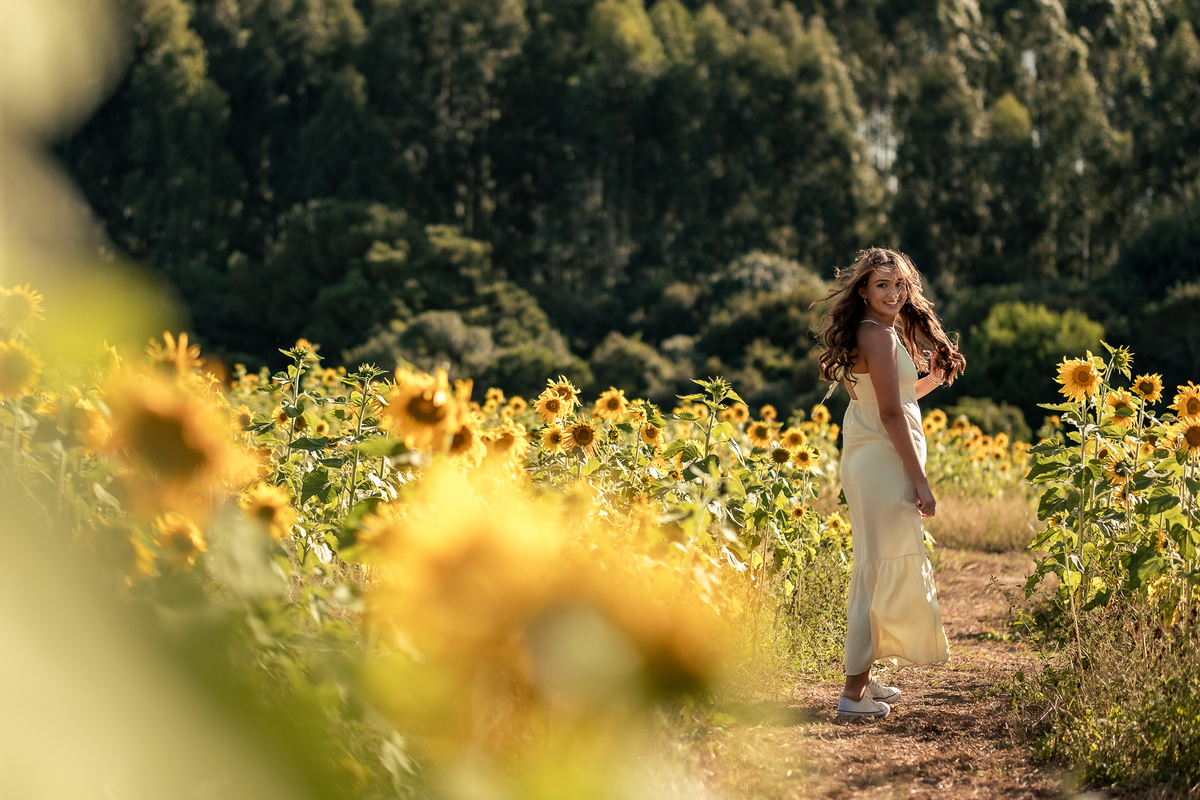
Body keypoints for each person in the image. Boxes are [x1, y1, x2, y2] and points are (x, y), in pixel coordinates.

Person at [814, 247, 966, 719]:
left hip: (875, 455)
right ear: (863, 289)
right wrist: (921, 481)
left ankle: (864, 677)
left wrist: (934, 381)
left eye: (899, 285)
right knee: (878, 566)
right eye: (883, 285)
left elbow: (895, 396)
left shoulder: (880, 331)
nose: (894, 293)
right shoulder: (874, 334)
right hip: (882, 461)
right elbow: (888, 413)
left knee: (876, 563)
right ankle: (852, 694)